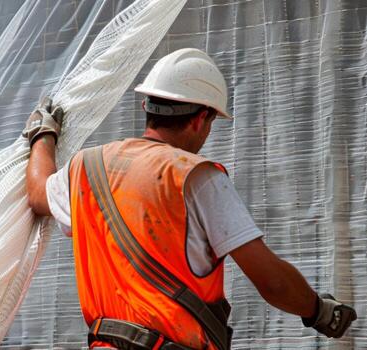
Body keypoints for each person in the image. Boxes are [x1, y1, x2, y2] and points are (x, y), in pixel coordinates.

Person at [23, 48, 356, 350]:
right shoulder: (197, 177)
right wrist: (319, 310)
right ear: (201, 118)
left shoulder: (85, 168)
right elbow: (272, 281)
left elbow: (38, 193)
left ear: (146, 107)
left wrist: (44, 135)